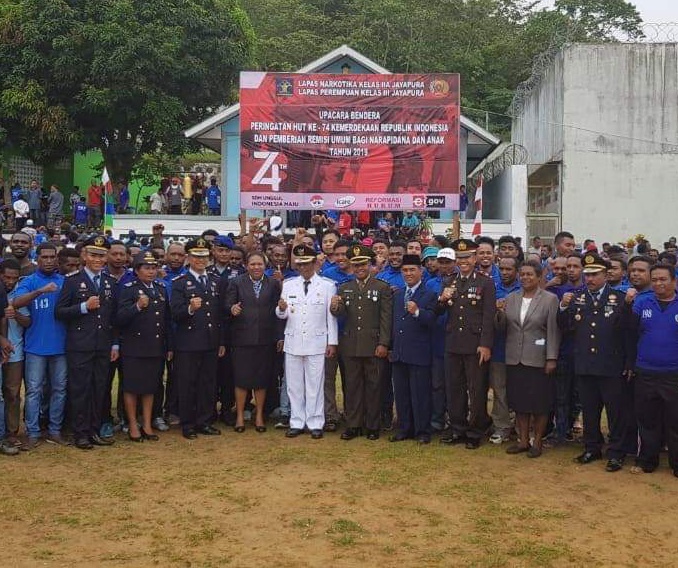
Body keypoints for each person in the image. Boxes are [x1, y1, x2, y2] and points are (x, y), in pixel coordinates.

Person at [559, 253, 635, 472]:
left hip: (611, 365)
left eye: (595, 274)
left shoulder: (619, 298)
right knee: (590, 410)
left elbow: (628, 333)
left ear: (606, 275)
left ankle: (616, 452)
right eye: (587, 275)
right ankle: (592, 447)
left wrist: (629, 363)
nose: (590, 279)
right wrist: (562, 307)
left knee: (615, 412)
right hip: (585, 364)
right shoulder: (577, 298)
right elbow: (565, 327)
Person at [55, 236, 119, 450]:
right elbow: (59, 312)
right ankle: (80, 433)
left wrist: (115, 344)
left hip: (103, 344)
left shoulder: (110, 281)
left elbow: (113, 317)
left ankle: (94, 430)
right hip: (80, 345)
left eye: (101, 255)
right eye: (93, 255)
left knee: (99, 389)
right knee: (80, 389)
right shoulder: (73, 280)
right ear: (84, 256)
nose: (98, 259)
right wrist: (83, 307)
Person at [498, 261, 560, 458]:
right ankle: (523, 440)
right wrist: (499, 313)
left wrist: (551, 358)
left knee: (539, 403)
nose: (525, 277)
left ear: (539, 277)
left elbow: (553, 331)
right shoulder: (511, 298)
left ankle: (537, 441)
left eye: (530, 274)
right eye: (522, 274)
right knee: (519, 402)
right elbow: (502, 328)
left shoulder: (550, 299)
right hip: (514, 358)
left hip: (538, 358)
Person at [330, 245, 392, 441]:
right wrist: (335, 307)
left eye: (363, 264)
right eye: (356, 265)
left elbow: (386, 319)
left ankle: (372, 425)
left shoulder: (381, 287)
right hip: (350, 345)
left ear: (370, 264)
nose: (360, 269)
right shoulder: (344, 287)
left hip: (373, 345)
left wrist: (384, 343)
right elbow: (340, 314)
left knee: (374, 387)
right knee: (352, 386)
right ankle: (353, 424)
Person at [276, 244, 338, 439]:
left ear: (314, 263)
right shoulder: (288, 284)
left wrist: (332, 342)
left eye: (306, 263)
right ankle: (296, 421)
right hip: (293, 340)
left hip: (317, 341)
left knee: (315, 384)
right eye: (299, 264)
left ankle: (315, 422)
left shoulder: (327, 285)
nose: (302, 267)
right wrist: (281, 309)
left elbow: (331, 317)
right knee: (294, 385)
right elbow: (282, 314)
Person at [438, 239, 495, 449]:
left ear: (475, 258)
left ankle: (475, 430)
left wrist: (485, 344)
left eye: (467, 257)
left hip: (475, 344)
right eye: (460, 257)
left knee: (476, 389)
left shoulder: (485, 282)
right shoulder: (449, 281)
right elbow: (439, 311)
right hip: (453, 342)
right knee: (455, 388)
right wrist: (442, 299)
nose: (463, 261)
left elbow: (488, 316)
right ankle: (458, 428)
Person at [13, 244, 68, 448]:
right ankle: (33, 432)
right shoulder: (29, 281)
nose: (49, 260)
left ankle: (55, 430)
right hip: (35, 346)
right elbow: (16, 302)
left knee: (59, 389)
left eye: (52, 257)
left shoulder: (64, 281)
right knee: (34, 391)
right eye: (45, 257)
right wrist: (40, 291)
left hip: (61, 346)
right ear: (37, 258)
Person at [170, 238, 225, 440]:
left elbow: (219, 315)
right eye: (196, 256)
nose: (200, 260)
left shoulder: (215, 281)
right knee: (187, 383)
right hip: (188, 342)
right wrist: (190, 309)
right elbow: (175, 313)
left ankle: (204, 421)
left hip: (210, 341)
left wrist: (221, 341)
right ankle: (188, 423)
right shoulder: (180, 282)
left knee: (207, 383)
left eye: (204, 257)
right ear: (188, 258)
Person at [116, 252, 172, 442]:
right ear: (137, 270)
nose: (151, 272)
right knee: (132, 387)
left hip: (155, 346)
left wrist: (169, 345)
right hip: (134, 347)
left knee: (151, 386)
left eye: (153, 268)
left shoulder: (160, 288)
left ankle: (147, 423)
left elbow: (166, 320)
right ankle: (133, 424)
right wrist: (137, 306)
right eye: (146, 268)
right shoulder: (128, 289)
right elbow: (119, 318)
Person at [628, 263, 678, 476]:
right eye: (655, 279)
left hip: (674, 374)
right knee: (647, 420)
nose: (658, 283)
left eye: (663, 279)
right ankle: (647, 460)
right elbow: (630, 334)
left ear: (674, 281)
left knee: (675, 421)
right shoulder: (642, 303)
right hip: (646, 372)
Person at [224, 252, 282, 432]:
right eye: (253, 264)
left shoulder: (273, 283)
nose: (256, 267)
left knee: (261, 380)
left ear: (265, 265)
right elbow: (227, 305)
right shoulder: (236, 282)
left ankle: (259, 416)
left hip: (265, 339)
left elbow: (279, 311)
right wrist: (232, 309)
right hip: (242, 339)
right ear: (246, 265)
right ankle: (240, 417)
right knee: (241, 379)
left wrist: (279, 336)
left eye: (260, 264)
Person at [389, 254, 437, 444]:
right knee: (401, 393)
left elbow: (432, 320)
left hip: (419, 352)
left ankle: (422, 430)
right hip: (399, 352)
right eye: (405, 270)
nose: (408, 273)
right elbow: (394, 323)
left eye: (412, 270)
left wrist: (417, 312)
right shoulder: (398, 294)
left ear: (421, 272)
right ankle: (404, 428)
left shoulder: (429, 294)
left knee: (420, 394)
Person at [489, 256, 522, 444]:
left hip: (520, 348)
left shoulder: (524, 289)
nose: (504, 272)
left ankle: (521, 428)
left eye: (509, 269)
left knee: (519, 390)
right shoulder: (491, 288)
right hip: (498, 348)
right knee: (499, 390)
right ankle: (501, 426)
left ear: (516, 271)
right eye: (501, 269)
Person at [0, 260, 31, 448]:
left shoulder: (20, 295)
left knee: (12, 393)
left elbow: (28, 322)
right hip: (4, 346)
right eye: (6, 277)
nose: (10, 281)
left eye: (14, 278)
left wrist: (15, 314)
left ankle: (11, 432)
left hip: (15, 351)